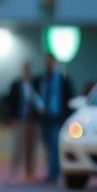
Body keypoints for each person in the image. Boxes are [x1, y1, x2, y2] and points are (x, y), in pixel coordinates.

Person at [34, 53, 74, 184]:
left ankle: (54, 173)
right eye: (46, 61)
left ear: (54, 62)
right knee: (47, 146)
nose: (48, 63)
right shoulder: (41, 79)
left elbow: (69, 97)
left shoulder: (62, 79)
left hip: (57, 116)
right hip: (44, 117)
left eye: (50, 61)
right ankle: (51, 170)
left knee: (55, 144)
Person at [6, 60, 42, 182]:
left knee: (32, 146)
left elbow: (39, 100)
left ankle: (29, 172)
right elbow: (10, 101)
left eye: (28, 68)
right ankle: (13, 172)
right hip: (20, 119)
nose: (27, 70)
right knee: (18, 146)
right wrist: (11, 117)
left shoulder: (35, 83)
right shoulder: (16, 84)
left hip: (33, 119)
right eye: (25, 68)